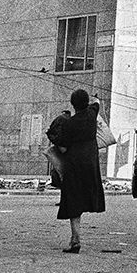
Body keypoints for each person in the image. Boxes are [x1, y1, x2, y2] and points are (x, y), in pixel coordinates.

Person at [54, 89, 105, 252]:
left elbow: (62, 146)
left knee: (73, 200)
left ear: (73, 104)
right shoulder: (92, 114)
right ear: (86, 103)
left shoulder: (69, 123)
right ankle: (75, 237)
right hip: (90, 162)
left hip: (74, 163)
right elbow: (97, 103)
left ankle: (75, 238)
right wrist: (95, 98)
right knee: (88, 194)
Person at [45, 109, 71, 190]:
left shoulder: (59, 119)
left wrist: (57, 142)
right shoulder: (69, 120)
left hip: (60, 146)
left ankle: (58, 183)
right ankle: (62, 184)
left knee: (59, 167)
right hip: (66, 147)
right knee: (65, 169)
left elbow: (50, 132)